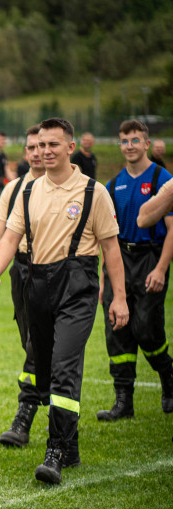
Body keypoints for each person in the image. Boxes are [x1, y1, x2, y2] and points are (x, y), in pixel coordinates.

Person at [0, 117, 129, 486]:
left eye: (54, 145)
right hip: (37, 284)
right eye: (40, 145)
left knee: (65, 367)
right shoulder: (29, 192)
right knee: (47, 368)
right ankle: (72, 443)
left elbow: (111, 248)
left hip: (77, 285)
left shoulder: (92, 192)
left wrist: (120, 299)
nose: (46, 151)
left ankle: (55, 452)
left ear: (70, 147)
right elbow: (8, 237)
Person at [96, 119, 173, 419]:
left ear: (147, 144)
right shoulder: (113, 185)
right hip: (120, 261)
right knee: (117, 328)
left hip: (150, 259)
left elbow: (171, 229)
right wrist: (105, 277)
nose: (129, 146)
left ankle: (168, 376)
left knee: (145, 326)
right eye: (124, 141)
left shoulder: (161, 178)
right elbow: (108, 237)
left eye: (135, 140)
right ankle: (123, 401)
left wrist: (161, 269)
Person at [0, 125, 47, 447]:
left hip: (55, 272)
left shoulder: (66, 188)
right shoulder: (13, 189)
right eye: (30, 148)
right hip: (21, 271)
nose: (36, 153)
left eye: (42, 146)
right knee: (30, 343)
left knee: (37, 348)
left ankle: (24, 418)